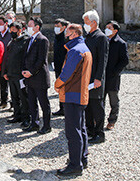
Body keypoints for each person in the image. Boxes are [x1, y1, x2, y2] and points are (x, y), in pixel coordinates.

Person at [55, 24, 92, 176]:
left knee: (73, 131)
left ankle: (75, 164)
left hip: (72, 94)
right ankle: (82, 158)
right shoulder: (84, 48)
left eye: (68, 32)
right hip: (80, 93)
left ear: (75, 33)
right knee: (81, 128)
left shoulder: (76, 51)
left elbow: (66, 74)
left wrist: (57, 84)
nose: (65, 34)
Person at [82, 10, 109, 144]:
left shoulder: (101, 37)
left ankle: (99, 133)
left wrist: (98, 78)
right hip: (86, 77)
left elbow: (102, 60)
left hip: (95, 79)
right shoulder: (88, 37)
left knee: (97, 106)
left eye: (86, 22)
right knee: (88, 106)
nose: (84, 25)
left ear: (93, 23)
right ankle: (90, 129)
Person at [22, 17, 51, 134]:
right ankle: (34, 123)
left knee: (44, 103)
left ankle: (47, 125)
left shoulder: (42, 40)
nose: (28, 28)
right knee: (32, 102)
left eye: (30, 25)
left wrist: (31, 72)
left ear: (37, 27)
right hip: (29, 78)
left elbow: (41, 60)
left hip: (39, 77)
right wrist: (24, 70)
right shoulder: (29, 40)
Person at [2, 22, 30, 127]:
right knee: (14, 96)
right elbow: (7, 58)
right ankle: (17, 114)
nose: (12, 32)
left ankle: (26, 117)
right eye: (11, 30)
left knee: (23, 96)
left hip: (20, 75)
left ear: (20, 30)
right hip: (11, 74)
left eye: (14, 30)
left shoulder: (25, 41)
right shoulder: (11, 42)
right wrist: (5, 72)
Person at [104, 20, 129, 131]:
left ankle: (112, 120)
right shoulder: (103, 40)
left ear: (115, 30)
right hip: (102, 75)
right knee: (99, 99)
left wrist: (115, 71)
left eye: (109, 27)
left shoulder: (120, 43)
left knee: (113, 100)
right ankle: (98, 120)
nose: (107, 29)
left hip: (113, 76)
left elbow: (124, 60)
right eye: (106, 27)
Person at [52, 18, 69, 116]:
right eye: (55, 26)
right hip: (57, 66)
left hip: (65, 67)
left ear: (64, 27)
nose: (56, 28)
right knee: (60, 88)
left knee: (66, 88)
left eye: (58, 26)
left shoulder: (66, 38)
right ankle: (61, 107)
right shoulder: (56, 37)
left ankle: (66, 108)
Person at [0, 16, 11, 109]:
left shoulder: (10, 34)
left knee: (11, 84)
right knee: (2, 83)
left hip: (9, 62)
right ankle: (3, 100)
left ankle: (13, 104)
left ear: (6, 23)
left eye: (1, 24)